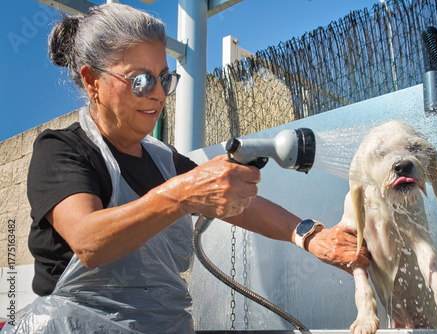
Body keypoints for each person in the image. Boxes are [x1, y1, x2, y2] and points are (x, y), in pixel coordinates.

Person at [12, 3, 369, 333]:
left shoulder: (164, 161)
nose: (157, 94)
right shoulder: (62, 151)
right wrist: (182, 194)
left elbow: (243, 207)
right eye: (140, 80)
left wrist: (309, 235)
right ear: (92, 81)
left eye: (164, 78)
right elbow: (89, 243)